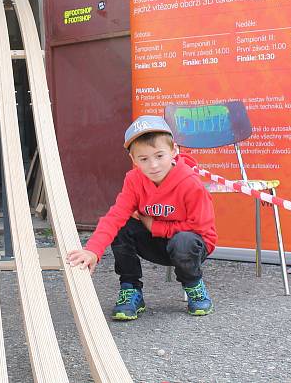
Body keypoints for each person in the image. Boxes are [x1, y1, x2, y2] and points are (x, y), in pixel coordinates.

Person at [67, 115, 218, 318]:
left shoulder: (190, 183)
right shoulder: (134, 180)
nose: (153, 165)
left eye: (159, 156)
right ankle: (131, 289)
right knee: (122, 225)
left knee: (184, 241)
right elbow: (114, 217)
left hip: (192, 244)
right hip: (156, 242)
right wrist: (92, 251)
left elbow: (200, 228)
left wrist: (155, 226)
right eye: (144, 159)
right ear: (133, 159)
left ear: (174, 150)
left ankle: (193, 286)